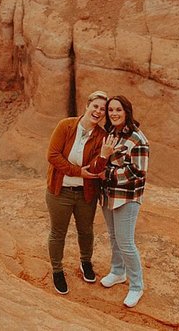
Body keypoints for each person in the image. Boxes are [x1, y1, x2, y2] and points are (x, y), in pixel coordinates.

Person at [88, 94, 150, 308]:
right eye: (111, 110)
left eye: (118, 110)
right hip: (108, 195)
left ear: (127, 112)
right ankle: (117, 271)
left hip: (127, 197)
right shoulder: (111, 134)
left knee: (126, 242)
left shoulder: (137, 139)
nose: (114, 113)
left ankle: (136, 286)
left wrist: (108, 173)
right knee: (114, 237)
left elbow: (138, 171)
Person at [45, 89, 108, 295]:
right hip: (60, 190)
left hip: (85, 194)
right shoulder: (66, 126)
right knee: (58, 232)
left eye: (102, 109)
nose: (98, 111)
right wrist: (78, 171)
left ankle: (86, 263)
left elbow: (96, 168)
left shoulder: (102, 136)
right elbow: (53, 155)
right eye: (95, 106)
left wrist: (104, 157)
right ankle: (57, 270)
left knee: (86, 231)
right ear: (87, 106)